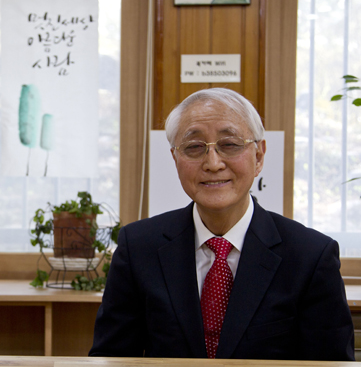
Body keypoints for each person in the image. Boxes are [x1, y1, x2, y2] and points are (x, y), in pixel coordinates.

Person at [89, 88, 354, 360]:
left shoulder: (310, 256)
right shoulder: (138, 247)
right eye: (194, 148)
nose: (213, 163)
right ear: (175, 159)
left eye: (229, 145)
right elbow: (111, 358)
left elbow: (330, 365)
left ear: (259, 156)